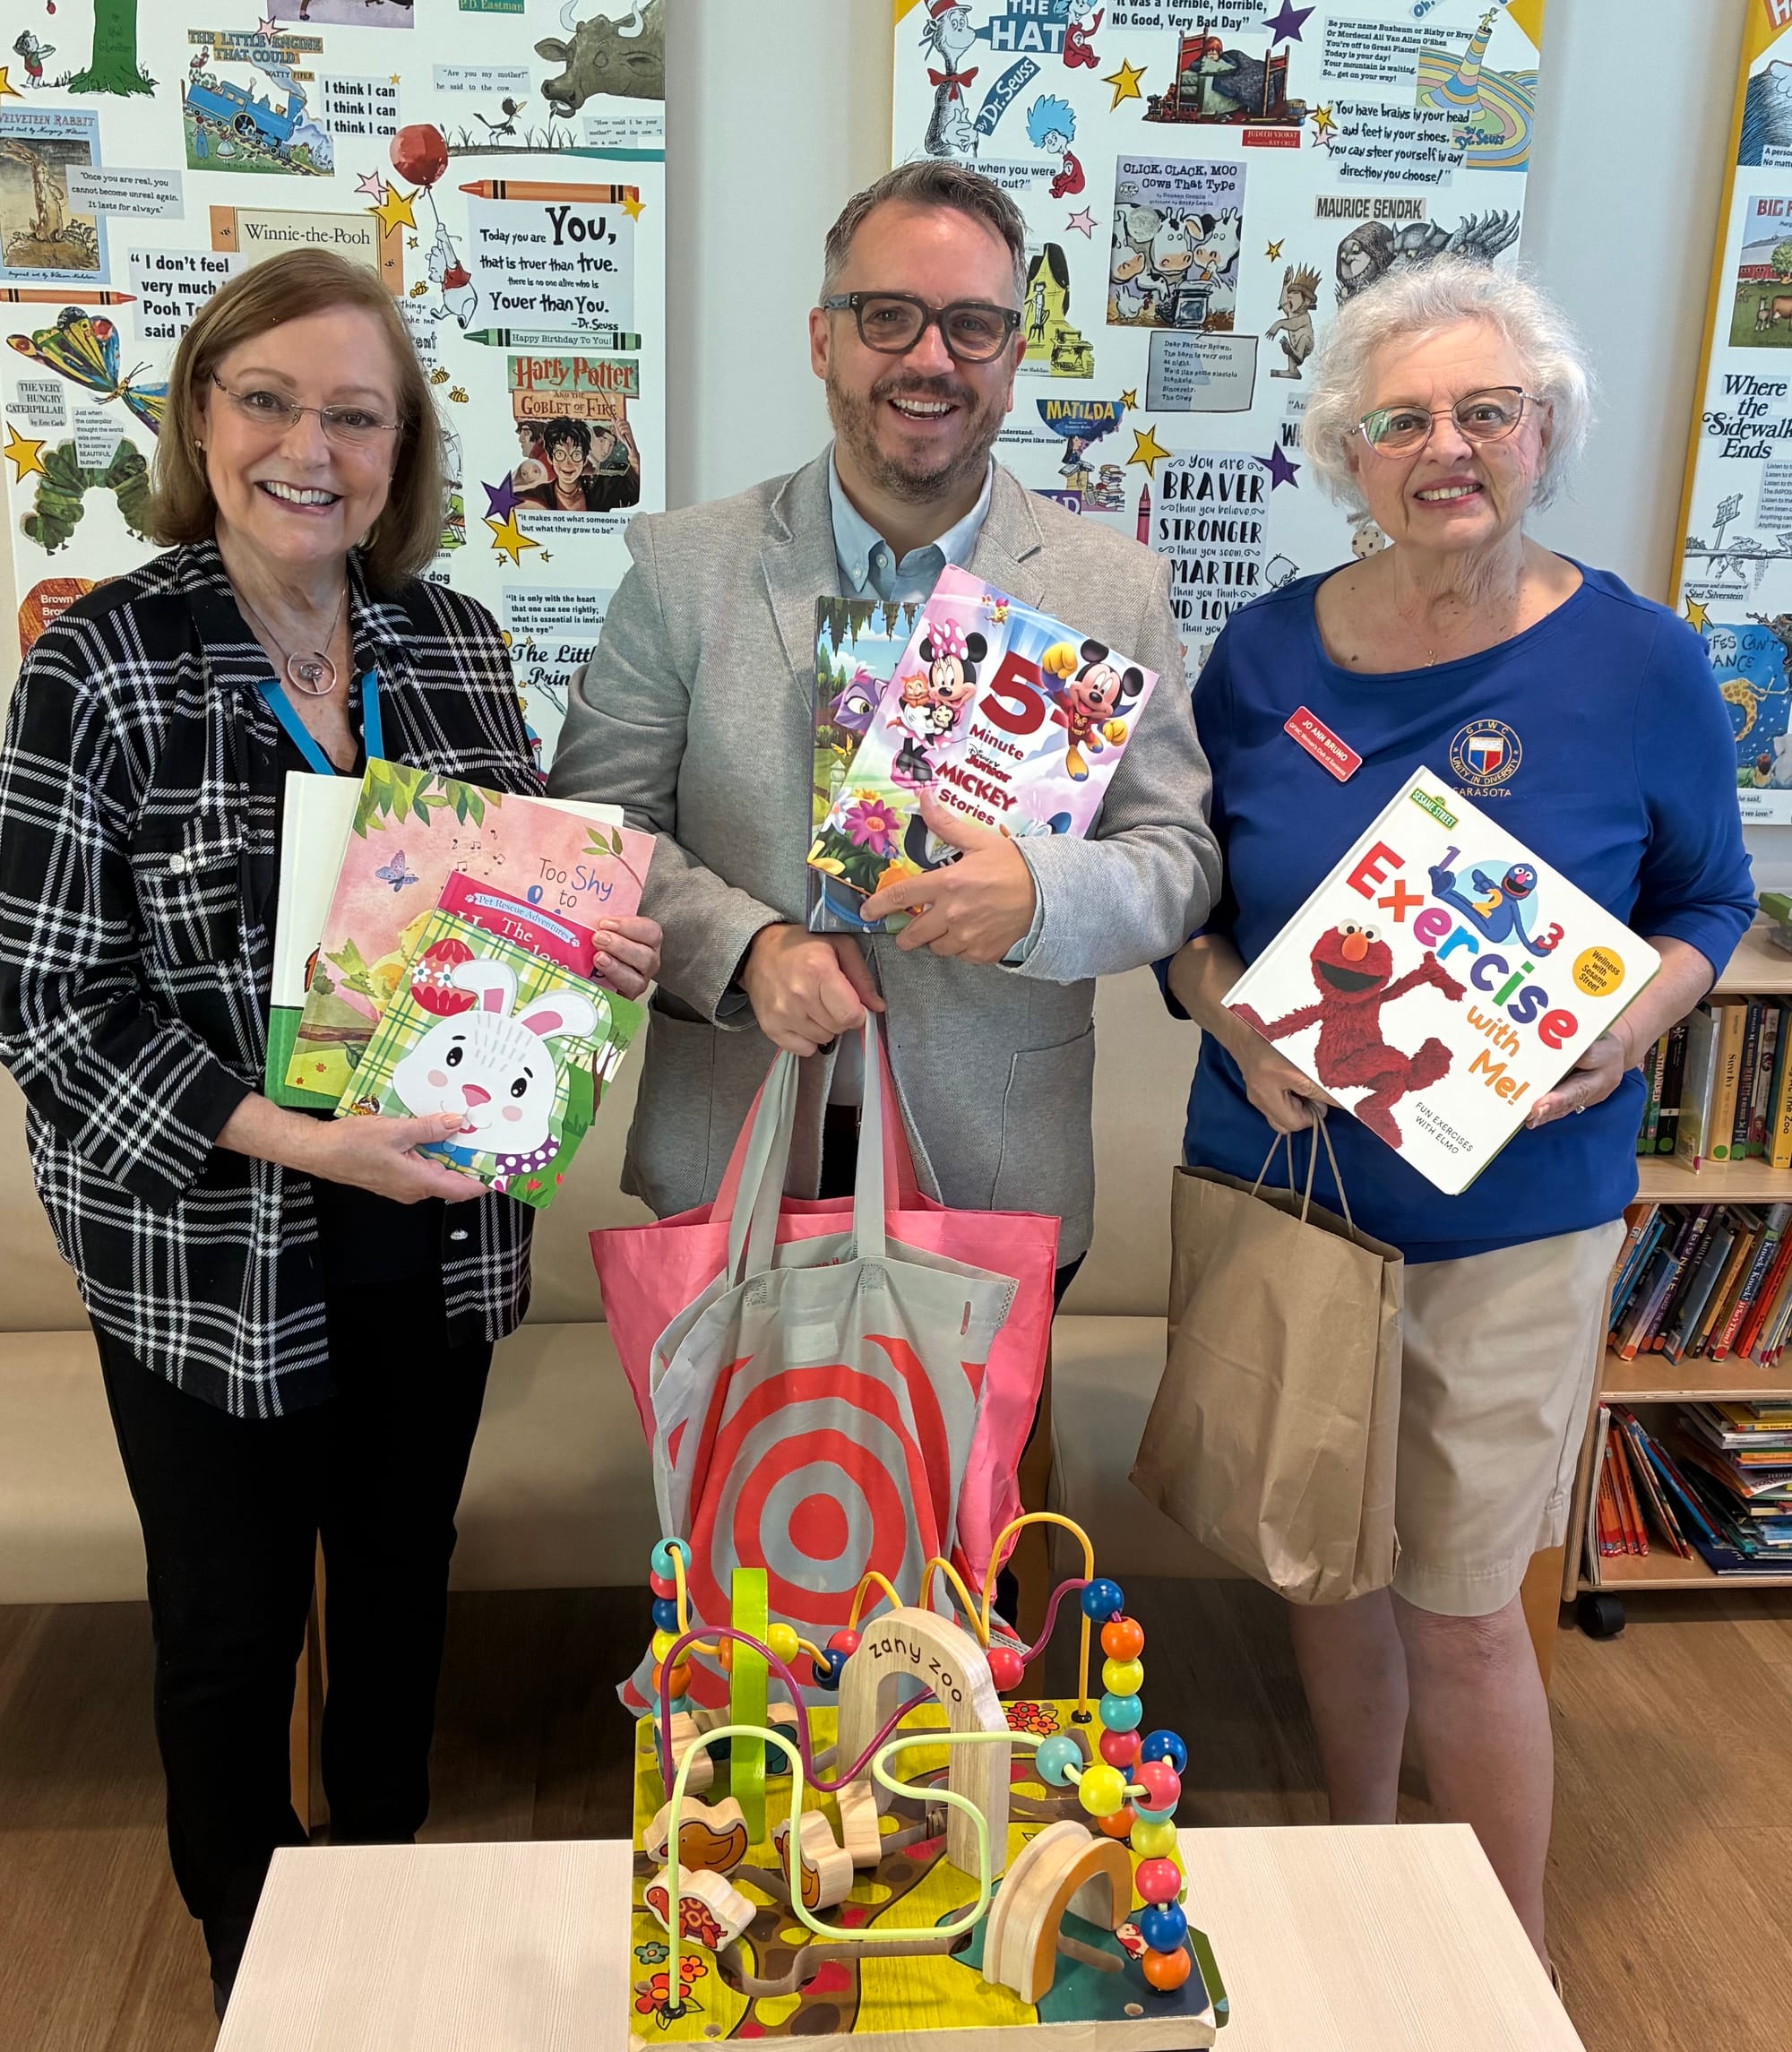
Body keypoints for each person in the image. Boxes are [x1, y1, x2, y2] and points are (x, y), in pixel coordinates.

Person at [0, 249, 659, 2016]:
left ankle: (380, 1917)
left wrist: (588, 950)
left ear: (402, 447)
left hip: (433, 1235)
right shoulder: (105, 664)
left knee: (395, 1594)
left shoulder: (449, 638)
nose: (311, 444)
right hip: (212, 1253)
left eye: (354, 413)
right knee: (225, 1637)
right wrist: (306, 1143)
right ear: (201, 416)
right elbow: (51, 1005)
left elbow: (500, 925)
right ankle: (256, 1966)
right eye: (268, 399)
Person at [1159, 257, 1753, 1971]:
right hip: (1294, 1190)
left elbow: (1707, 904)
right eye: (1403, 418)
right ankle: (1361, 1881)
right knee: (1326, 1574)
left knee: (1471, 1608)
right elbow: (1189, 904)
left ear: (1544, 432)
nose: (1447, 447)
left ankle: (1509, 1960)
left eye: (1487, 410)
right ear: (1349, 451)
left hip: (1518, 1205)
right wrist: (1223, 1012)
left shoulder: (1641, 659)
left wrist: (1634, 1014)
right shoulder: (1264, 652)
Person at [548, 158, 1217, 1315]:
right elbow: (594, 833)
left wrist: (1042, 897)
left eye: (972, 326)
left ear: (1014, 358)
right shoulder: (685, 566)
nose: (929, 358)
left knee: (971, 1501)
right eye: (888, 317)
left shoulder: (1115, 588)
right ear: (824, 338)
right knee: (734, 1497)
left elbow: (1181, 862)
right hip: (733, 1158)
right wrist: (748, 951)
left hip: (993, 1165)